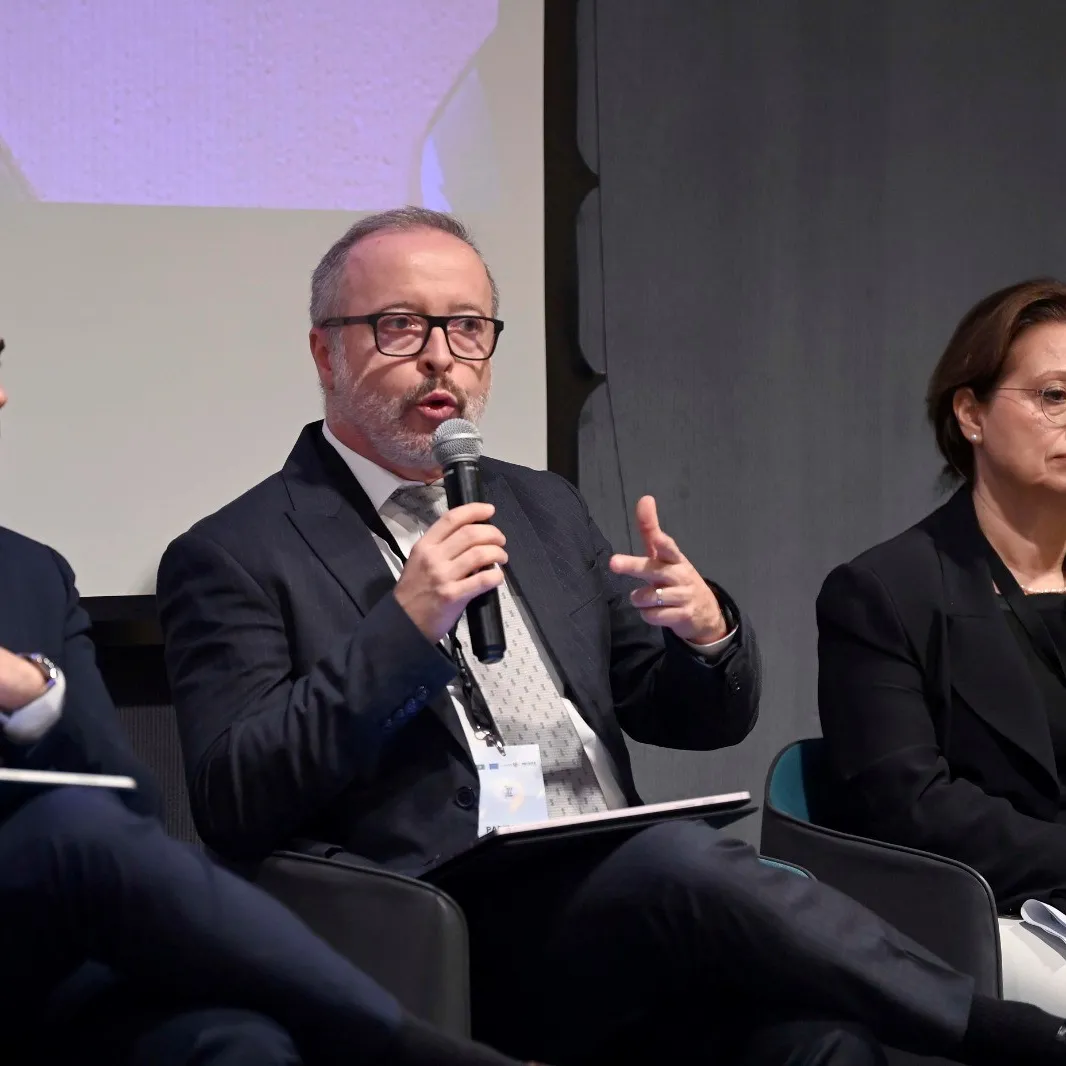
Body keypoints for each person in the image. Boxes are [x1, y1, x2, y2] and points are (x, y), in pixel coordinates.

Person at [158, 208, 1066, 1066]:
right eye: (401, 326)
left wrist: (705, 636)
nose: (442, 359)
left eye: (469, 327)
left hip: (623, 909)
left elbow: (692, 715)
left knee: (818, 1041)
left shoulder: (539, 505)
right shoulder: (237, 552)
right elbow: (236, 795)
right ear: (325, 349)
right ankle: (1004, 1034)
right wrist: (402, 628)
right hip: (447, 923)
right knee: (679, 859)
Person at [0, 338, 542, 1066]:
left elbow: (126, 809)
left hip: (42, 943)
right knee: (67, 824)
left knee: (236, 1041)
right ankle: (420, 1051)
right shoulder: (232, 549)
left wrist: (30, 693)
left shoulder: (27, 573)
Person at [818, 278, 1066, 1015]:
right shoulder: (884, 591)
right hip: (980, 917)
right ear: (971, 414)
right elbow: (911, 808)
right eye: (1055, 396)